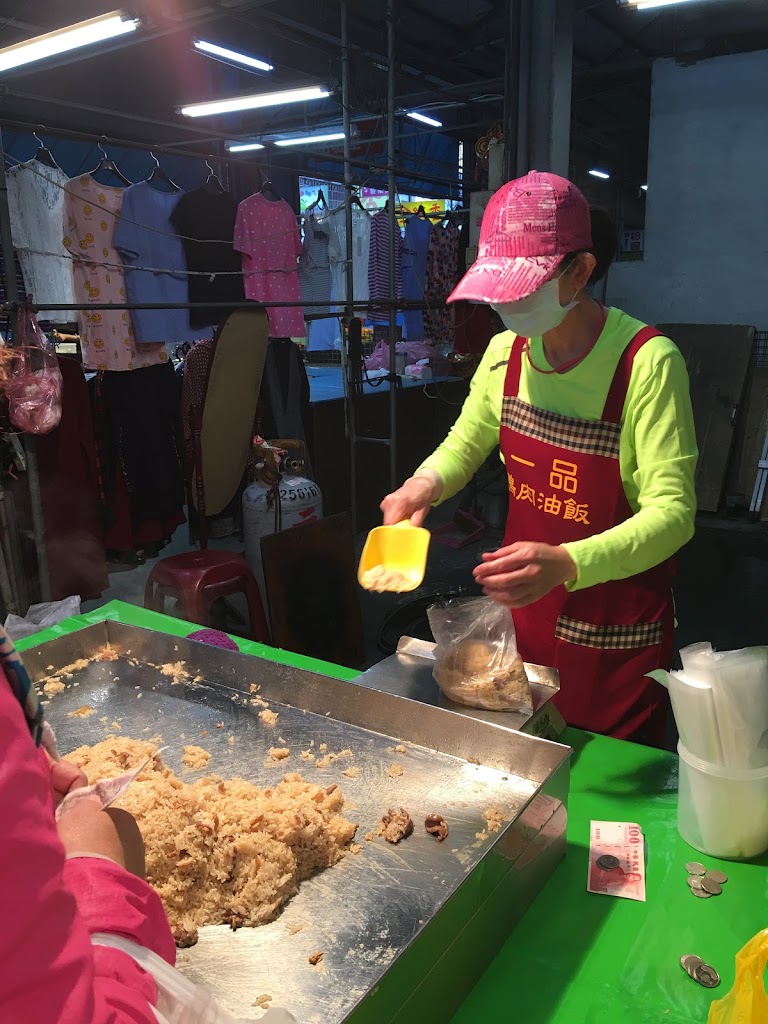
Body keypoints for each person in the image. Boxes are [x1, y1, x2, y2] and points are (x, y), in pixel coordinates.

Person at [381, 171, 697, 746]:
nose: (507, 306)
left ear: (580, 272)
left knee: (600, 792)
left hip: (614, 633)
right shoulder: (506, 352)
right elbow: (468, 440)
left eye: (523, 289)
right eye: (499, 290)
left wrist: (569, 561)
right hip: (522, 620)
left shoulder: (646, 364)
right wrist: (422, 485)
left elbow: (672, 515)